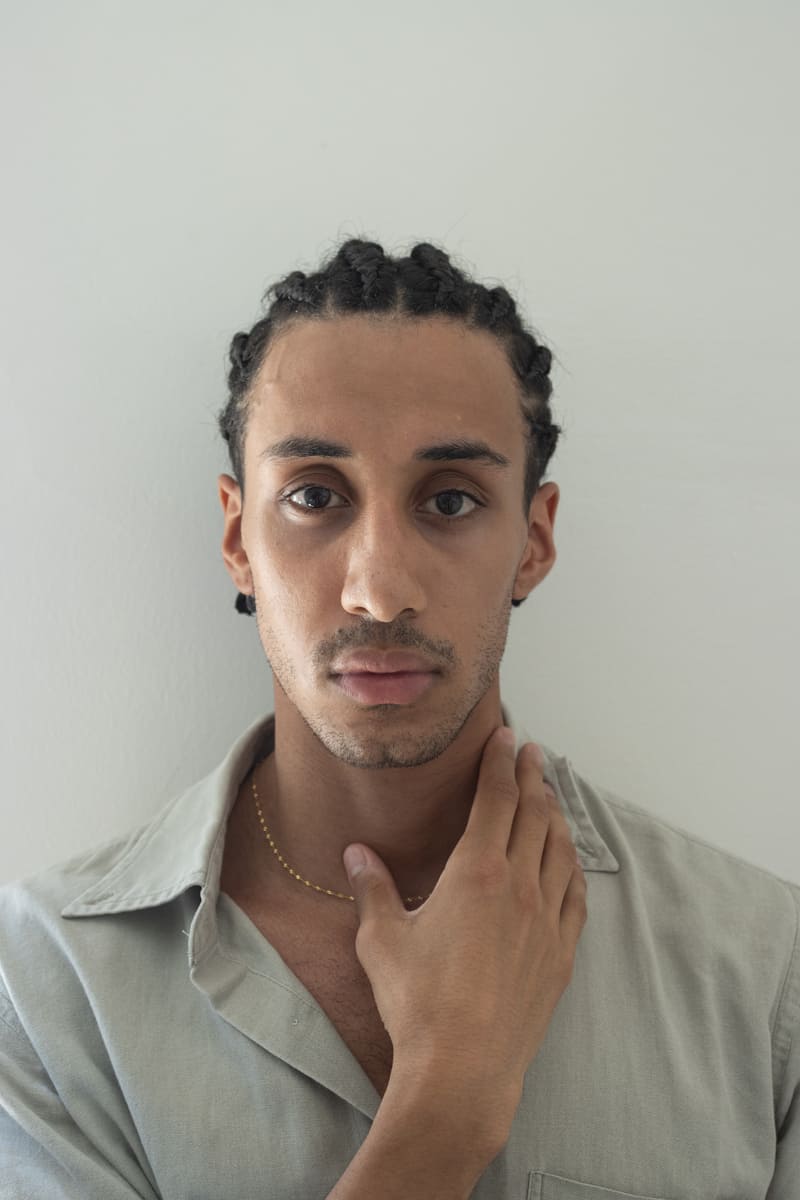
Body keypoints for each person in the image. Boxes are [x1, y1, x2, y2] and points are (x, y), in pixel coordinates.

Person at [0, 238, 797, 1199]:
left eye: (450, 500)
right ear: (237, 536)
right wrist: (448, 1104)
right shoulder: (45, 987)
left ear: (534, 540)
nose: (379, 591)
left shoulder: (763, 973)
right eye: (313, 496)